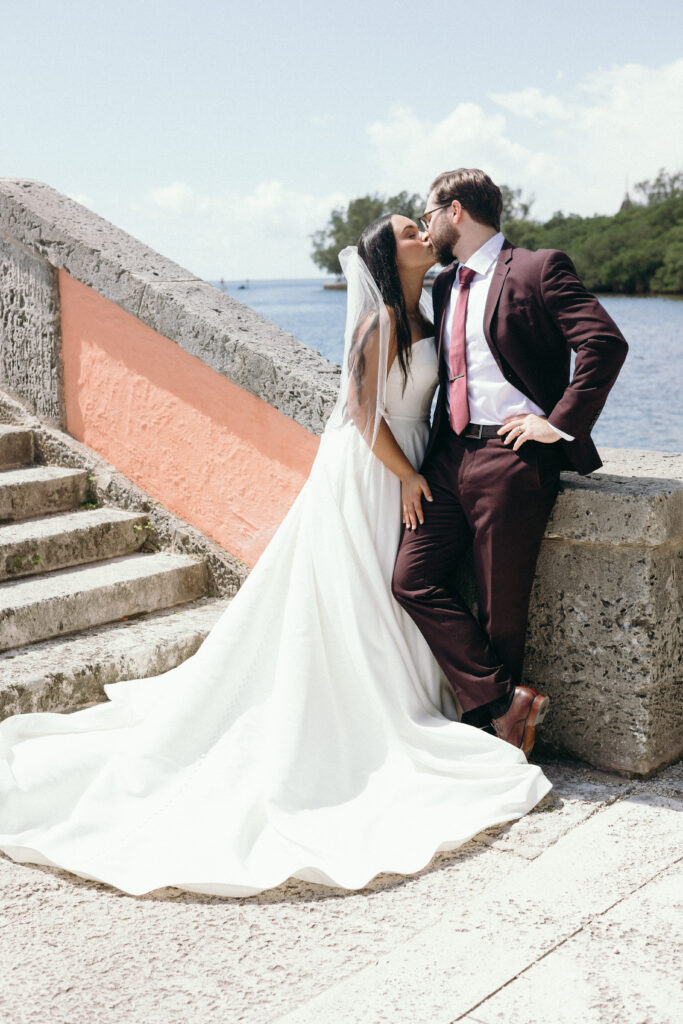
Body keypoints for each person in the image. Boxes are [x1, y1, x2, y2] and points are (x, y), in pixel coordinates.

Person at [0, 214, 550, 899]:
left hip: (412, 463)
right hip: (373, 466)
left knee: (392, 587)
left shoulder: (429, 313)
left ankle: (425, 697)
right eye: (410, 232)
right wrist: (406, 476)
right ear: (388, 255)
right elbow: (357, 409)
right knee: (362, 585)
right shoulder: (377, 321)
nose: (420, 237)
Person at [393, 168, 628, 753]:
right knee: (411, 578)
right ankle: (504, 703)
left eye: (428, 215)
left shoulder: (537, 267)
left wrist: (557, 423)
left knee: (501, 603)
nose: (426, 227)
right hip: (448, 453)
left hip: (512, 453)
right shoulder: (445, 284)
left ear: (454, 211)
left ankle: (497, 735)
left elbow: (603, 342)